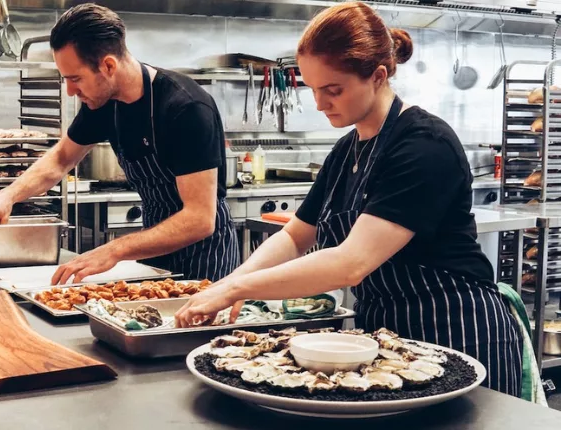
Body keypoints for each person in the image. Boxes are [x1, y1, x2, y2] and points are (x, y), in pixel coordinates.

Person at [175, 2, 522, 396]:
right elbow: (294, 237)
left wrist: (239, 289)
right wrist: (231, 282)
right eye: (313, 90)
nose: (320, 104)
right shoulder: (346, 150)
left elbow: (350, 263)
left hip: (457, 329)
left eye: (333, 90)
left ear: (377, 76)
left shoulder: (424, 145)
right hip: (386, 339)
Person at [0, 3, 239, 284]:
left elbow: (199, 219)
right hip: (153, 247)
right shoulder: (103, 104)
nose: (71, 91)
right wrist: (7, 196)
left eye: (76, 79)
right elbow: (62, 158)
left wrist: (114, 250)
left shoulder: (185, 107)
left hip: (206, 258)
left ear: (108, 65)